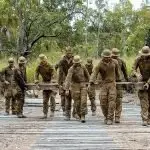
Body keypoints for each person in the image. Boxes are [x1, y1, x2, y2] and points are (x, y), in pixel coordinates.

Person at [89, 49, 120, 125]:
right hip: (103, 84)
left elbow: (118, 73)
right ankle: (106, 116)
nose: (107, 58)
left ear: (111, 56)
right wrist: (91, 82)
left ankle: (110, 118)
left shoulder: (115, 62)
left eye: (108, 57)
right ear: (102, 56)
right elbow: (94, 73)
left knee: (112, 101)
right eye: (105, 57)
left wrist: (119, 80)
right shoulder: (99, 64)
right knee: (103, 101)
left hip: (112, 84)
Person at [65, 55, 90, 123]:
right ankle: (78, 114)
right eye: (76, 63)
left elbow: (88, 75)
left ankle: (83, 115)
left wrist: (89, 84)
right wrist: (67, 89)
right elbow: (68, 79)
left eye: (78, 63)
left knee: (84, 101)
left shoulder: (83, 67)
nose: (77, 64)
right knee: (77, 102)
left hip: (83, 84)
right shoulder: (71, 69)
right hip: (75, 85)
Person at [132, 46, 150, 126]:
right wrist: (137, 74)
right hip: (142, 82)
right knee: (144, 101)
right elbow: (133, 69)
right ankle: (145, 119)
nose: (145, 56)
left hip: (149, 81)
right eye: (143, 55)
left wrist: (148, 83)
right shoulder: (138, 59)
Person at [35, 54, 56, 119]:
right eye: (41, 61)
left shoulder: (49, 65)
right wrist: (36, 81)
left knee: (52, 97)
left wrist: (53, 80)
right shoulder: (39, 66)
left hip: (51, 83)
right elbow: (36, 74)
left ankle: (52, 111)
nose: (43, 62)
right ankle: (45, 113)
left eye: (43, 60)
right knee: (45, 100)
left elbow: (54, 73)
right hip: (44, 83)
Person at [111, 48, 128, 123]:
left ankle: (117, 116)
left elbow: (125, 72)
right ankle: (110, 116)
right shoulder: (108, 60)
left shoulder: (121, 61)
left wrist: (126, 82)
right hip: (110, 82)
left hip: (119, 82)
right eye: (113, 56)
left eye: (115, 56)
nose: (114, 57)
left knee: (118, 99)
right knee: (111, 99)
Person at [58, 46, 73, 119]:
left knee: (75, 96)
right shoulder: (62, 61)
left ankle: (74, 113)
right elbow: (60, 72)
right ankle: (65, 111)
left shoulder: (74, 60)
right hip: (64, 79)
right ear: (66, 53)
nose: (69, 54)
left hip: (73, 80)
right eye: (68, 52)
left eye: (70, 52)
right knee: (64, 96)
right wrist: (60, 83)